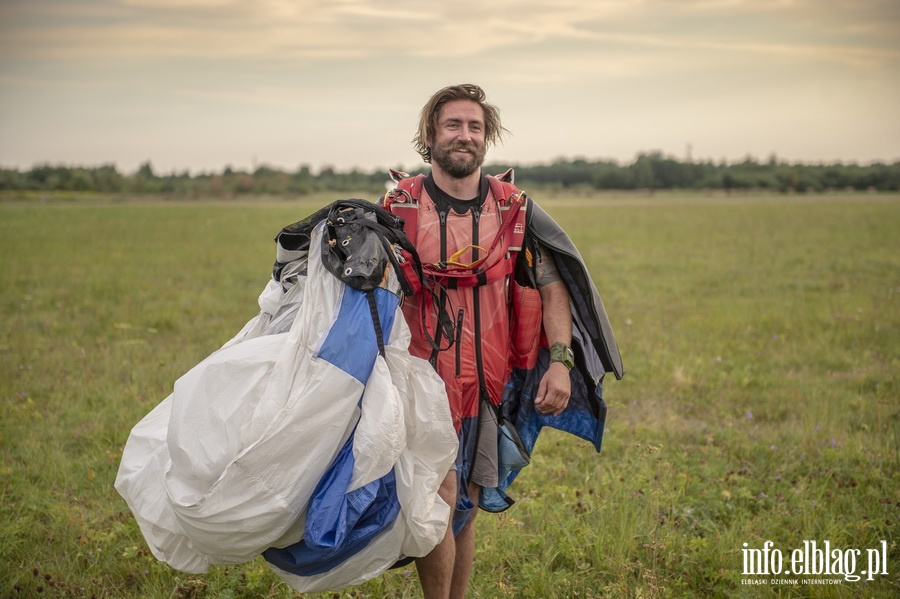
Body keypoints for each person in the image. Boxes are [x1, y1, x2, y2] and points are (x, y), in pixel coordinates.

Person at [383, 84, 623, 599]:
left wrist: (561, 361)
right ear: (430, 135)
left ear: (486, 136)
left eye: (474, 126)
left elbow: (553, 287)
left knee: (466, 503)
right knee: (438, 500)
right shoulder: (400, 206)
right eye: (452, 125)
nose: (464, 135)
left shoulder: (513, 210)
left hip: (488, 386)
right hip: (422, 384)